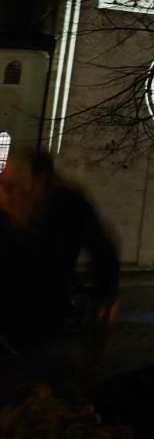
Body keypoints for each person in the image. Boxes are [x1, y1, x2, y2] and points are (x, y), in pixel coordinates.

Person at [0, 149, 119, 385]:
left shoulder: (66, 204)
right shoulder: (66, 202)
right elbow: (103, 251)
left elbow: (102, 251)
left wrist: (104, 296)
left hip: (41, 318)